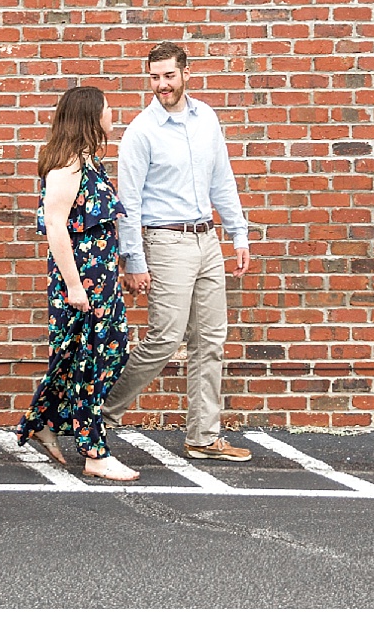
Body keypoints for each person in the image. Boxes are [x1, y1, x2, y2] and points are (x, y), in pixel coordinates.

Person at [102, 42, 255, 461]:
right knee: (165, 338)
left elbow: (222, 180)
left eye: (169, 75)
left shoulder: (206, 118)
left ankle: (204, 438)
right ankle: (100, 415)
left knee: (211, 341)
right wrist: (133, 260)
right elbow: (127, 203)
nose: (161, 85)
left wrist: (238, 235)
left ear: (186, 73)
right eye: (154, 77)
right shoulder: (141, 131)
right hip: (165, 242)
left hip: (207, 239)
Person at [15, 85, 139, 482]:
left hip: (101, 280)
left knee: (99, 356)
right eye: (106, 109)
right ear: (89, 116)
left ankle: (45, 421)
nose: (111, 114)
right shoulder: (67, 165)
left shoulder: (88, 161)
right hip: (81, 280)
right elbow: (55, 226)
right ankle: (94, 453)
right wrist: (74, 286)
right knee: (92, 362)